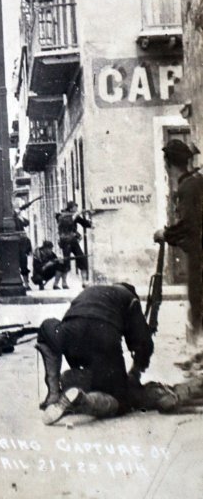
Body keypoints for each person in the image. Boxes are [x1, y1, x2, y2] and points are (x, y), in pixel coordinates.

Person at [36, 283, 154, 424]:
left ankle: (54, 393)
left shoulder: (91, 290)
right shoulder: (130, 299)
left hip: (69, 334)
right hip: (103, 339)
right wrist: (135, 372)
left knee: (45, 330)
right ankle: (83, 401)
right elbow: (143, 342)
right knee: (121, 400)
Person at [154, 138, 203, 345]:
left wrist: (165, 234)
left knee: (198, 300)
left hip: (199, 256)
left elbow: (189, 224)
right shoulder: (197, 181)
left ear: (167, 164)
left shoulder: (187, 188)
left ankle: (198, 353)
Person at [56, 201, 92, 288]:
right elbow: (67, 223)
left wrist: (90, 218)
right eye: (75, 208)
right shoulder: (62, 216)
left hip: (73, 241)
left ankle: (84, 281)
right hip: (65, 241)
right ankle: (62, 283)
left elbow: (85, 224)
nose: (76, 209)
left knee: (82, 259)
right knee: (66, 262)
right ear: (71, 208)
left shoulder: (74, 216)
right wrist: (75, 215)